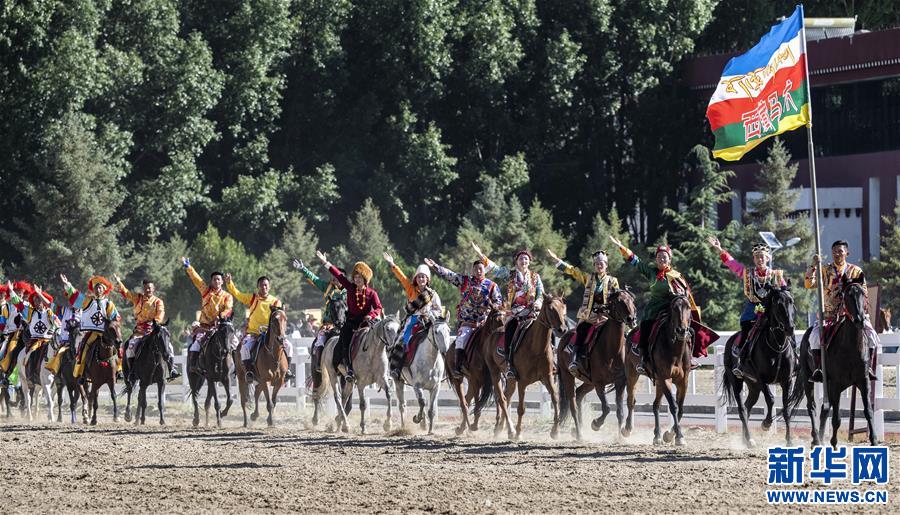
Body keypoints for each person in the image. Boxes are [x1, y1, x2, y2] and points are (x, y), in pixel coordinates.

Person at [608, 236, 700, 375]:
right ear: (656, 259)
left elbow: (686, 295)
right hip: (655, 307)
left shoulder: (677, 276)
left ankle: (689, 358)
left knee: (689, 329)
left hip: (673, 308)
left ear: (670, 259)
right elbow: (636, 261)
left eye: (665, 257)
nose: (662, 259)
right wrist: (622, 247)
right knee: (645, 326)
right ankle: (644, 358)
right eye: (659, 257)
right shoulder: (651, 272)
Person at [708, 237, 786, 383]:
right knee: (745, 329)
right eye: (756, 257)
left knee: (785, 329)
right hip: (753, 310)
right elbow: (733, 265)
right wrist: (720, 249)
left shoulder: (776, 276)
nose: (759, 259)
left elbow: (785, 292)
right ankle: (741, 359)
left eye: (762, 256)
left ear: (768, 258)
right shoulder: (748, 273)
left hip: (772, 312)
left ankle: (794, 356)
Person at [804, 240, 878, 382]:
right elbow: (809, 284)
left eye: (840, 251)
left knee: (872, 336)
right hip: (829, 314)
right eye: (834, 251)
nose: (837, 254)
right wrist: (813, 265)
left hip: (851, 315)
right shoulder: (824, 270)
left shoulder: (856, 271)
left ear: (847, 253)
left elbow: (864, 294)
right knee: (814, 338)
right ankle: (819, 368)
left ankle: (868, 367)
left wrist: (861, 312)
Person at [472, 242, 544, 379]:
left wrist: (538, 304)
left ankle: (550, 361)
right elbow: (494, 268)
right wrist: (481, 255)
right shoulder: (510, 275)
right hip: (515, 313)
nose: (524, 261)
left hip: (532, 312)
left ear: (529, 262)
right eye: (521, 259)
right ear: (516, 262)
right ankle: (510, 364)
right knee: (510, 330)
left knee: (547, 329)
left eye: (526, 259)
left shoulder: (535, 277)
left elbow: (540, 294)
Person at [425, 256, 502, 378]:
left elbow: (498, 302)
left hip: (485, 323)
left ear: (485, 270)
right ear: (472, 271)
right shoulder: (465, 281)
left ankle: (504, 367)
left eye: (481, 268)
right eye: (476, 269)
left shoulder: (492, 285)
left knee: (498, 340)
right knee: (461, 340)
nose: (478, 271)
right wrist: (435, 266)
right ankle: (458, 367)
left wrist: (491, 306)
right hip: (468, 322)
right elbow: (450, 275)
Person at [547, 248, 620, 374]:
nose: (599, 265)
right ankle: (575, 359)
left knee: (620, 334)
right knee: (581, 331)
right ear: (594, 266)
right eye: (597, 263)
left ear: (606, 265)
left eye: (602, 263)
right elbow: (573, 271)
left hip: (607, 316)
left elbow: (617, 298)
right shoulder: (588, 278)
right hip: (589, 315)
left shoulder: (613, 281)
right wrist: (558, 261)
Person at [314, 250, 382, 383]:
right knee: (344, 339)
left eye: (359, 277)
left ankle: (382, 367)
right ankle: (348, 368)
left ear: (365, 279)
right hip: (350, 322)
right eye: (355, 277)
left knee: (380, 339)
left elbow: (379, 307)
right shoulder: (350, 288)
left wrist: (371, 315)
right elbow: (338, 275)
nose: (356, 279)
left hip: (366, 323)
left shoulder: (372, 293)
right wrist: (325, 262)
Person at [383, 252, 443, 380]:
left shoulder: (433, 294)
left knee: (440, 337)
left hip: (428, 321)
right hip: (413, 320)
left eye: (424, 277)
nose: (421, 279)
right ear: (416, 278)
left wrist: (430, 313)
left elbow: (438, 310)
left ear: (427, 279)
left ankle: (445, 367)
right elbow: (402, 277)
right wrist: (392, 264)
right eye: (419, 277)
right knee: (402, 340)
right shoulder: (410, 289)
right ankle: (396, 368)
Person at [225, 274, 292, 381]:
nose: (264, 287)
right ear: (258, 287)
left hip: (271, 335)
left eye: (266, 285)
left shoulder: (275, 301)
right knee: (245, 348)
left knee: (289, 346)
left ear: (269, 287)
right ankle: (249, 372)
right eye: (261, 285)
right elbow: (237, 294)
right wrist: (229, 283)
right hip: (253, 333)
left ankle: (287, 370)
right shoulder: (252, 298)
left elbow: (280, 318)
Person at [292, 258, 347, 381]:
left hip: (345, 325)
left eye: (337, 276)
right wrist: (303, 269)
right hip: (328, 324)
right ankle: (319, 365)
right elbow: (315, 279)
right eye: (333, 275)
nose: (334, 278)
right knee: (319, 341)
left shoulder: (348, 292)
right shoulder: (328, 287)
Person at [113, 274, 178, 380]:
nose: (148, 290)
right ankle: (132, 371)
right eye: (146, 288)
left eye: (150, 288)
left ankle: (172, 369)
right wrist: (119, 282)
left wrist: (155, 323)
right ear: (143, 288)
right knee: (130, 347)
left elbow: (161, 313)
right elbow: (127, 293)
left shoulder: (158, 301)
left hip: (154, 329)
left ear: (153, 289)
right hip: (139, 331)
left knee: (169, 346)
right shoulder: (138, 298)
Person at [60, 274, 120, 381]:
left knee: (118, 346)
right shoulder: (87, 300)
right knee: (82, 349)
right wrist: (67, 284)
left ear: (104, 290)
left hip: (104, 333)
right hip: (90, 332)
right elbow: (74, 294)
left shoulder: (108, 304)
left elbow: (115, 318)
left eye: (100, 287)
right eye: (96, 287)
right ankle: (81, 373)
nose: (98, 289)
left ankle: (119, 370)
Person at [182, 257, 235, 374]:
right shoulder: (205, 291)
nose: (216, 281)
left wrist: (220, 316)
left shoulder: (227, 296)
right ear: (211, 281)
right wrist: (188, 267)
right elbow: (197, 280)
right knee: (196, 344)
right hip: (205, 327)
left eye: (219, 279)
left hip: (221, 327)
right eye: (214, 279)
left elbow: (228, 308)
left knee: (235, 343)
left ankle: (238, 369)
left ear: (222, 281)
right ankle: (194, 365)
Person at [0, 281, 33, 375]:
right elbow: (2, 323)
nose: (19, 293)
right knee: (9, 349)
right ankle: (4, 372)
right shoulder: (7, 306)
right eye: (16, 291)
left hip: (26, 334)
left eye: (20, 292)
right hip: (10, 334)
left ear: (24, 293)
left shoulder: (28, 306)